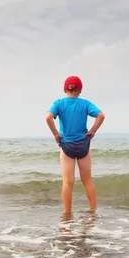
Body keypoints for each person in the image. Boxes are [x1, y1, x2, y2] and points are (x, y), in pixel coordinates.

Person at [45, 76, 105, 214]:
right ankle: (93, 211)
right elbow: (101, 115)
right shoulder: (85, 104)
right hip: (83, 143)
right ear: (80, 90)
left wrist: (56, 134)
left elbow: (48, 117)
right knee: (87, 180)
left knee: (68, 181)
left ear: (65, 89)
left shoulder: (59, 103)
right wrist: (93, 131)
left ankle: (67, 213)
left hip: (66, 145)